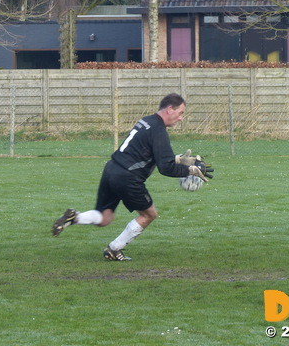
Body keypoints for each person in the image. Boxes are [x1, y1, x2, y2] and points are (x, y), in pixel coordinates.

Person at [52, 92, 209, 260]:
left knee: (104, 218)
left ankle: (75, 217)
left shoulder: (146, 121)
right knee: (149, 215)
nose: (181, 118)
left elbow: (144, 151)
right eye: (180, 113)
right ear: (170, 109)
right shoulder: (158, 130)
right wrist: (191, 170)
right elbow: (165, 168)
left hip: (111, 169)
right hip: (128, 177)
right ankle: (113, 249)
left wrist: (178, 159)